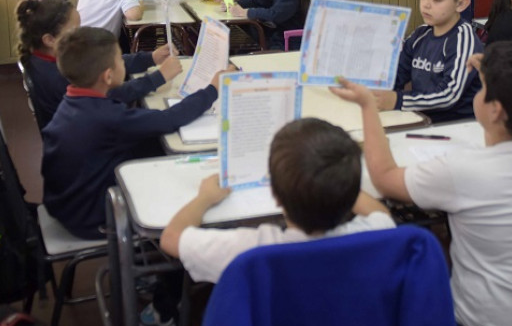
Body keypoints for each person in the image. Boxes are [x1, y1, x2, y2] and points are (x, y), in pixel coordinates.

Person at [333, 39, 512, 326]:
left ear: (496, 109)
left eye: (482, 87)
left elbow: (384, 176)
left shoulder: (466, 172)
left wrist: (367, 106)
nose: (476, 90)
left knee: (384, 298)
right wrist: (495, 72)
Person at [159, 117, 394, 284]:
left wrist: (204, 198)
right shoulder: (375, 233)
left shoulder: (251, 250)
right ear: (352, 193)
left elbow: (171, 238)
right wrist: (337, 177)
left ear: (275, 195)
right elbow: (380, 213)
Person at [42, 27, 220, 239]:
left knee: (154, 146)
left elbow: (120, 93)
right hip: (93, 216)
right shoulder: (107, 117)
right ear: (108, 76)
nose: (123, 63)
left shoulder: (75, 100)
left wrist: (156, 77)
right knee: (184, 178)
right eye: (120, 60)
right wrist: (212, 90)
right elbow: (168, 120)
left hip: (69, 203)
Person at [16, 0, 181, 130]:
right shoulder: (58, 75)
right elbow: (114, 95)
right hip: (86, 142)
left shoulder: (48, 59)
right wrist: (158, 77)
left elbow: (104, 62)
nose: (80, 33)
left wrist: (151, 57)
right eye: (74, 29)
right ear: (49, 40)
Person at [372, 0, 482, 123]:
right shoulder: (420, 34)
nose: (426, 5)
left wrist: (398, 100)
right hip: (420, 117)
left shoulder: (462, 39)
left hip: (454, 125)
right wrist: (377, 91)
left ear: (461, 4)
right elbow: (397, 72)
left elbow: (448, 96)